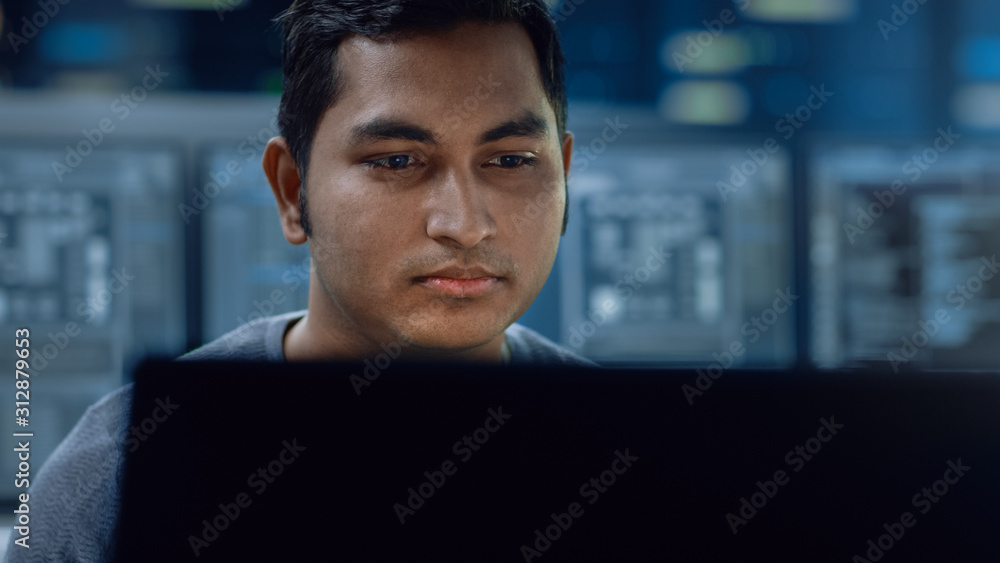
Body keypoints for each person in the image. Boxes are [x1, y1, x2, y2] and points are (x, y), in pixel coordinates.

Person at [3, 1, 592, 560]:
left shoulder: (641, 453)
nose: (464, 225)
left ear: (563, 180)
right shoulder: (120, 465)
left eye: (511, 160)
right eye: (396, 160)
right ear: (292, 191)